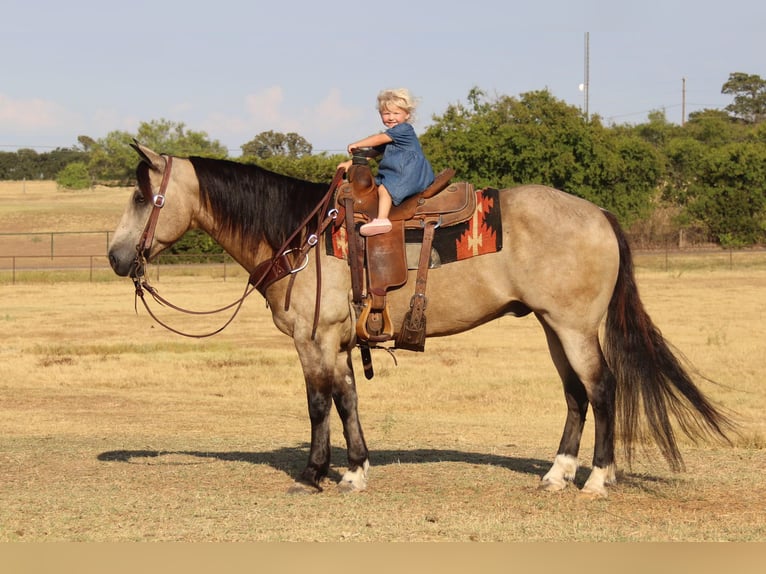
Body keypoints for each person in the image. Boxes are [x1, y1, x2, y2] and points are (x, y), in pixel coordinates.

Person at [338, 88, 434, 236]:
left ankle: (382, 219)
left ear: (407, 115)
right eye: (386, 113)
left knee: (384, 189)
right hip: (398, 172)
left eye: (396, 113)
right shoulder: (392, 136)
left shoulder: (404, 129)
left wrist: (357, 144)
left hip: (408, 172)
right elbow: (373, 152)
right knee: (375, 189)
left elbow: (377, 139)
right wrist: (350, 163)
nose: (391, 117)